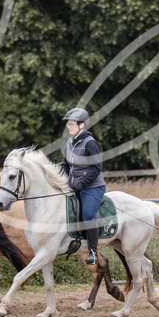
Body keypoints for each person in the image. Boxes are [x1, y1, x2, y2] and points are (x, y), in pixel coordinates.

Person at [60, 107, 105, 265]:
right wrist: (58, 178)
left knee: (87, 216)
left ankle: (93, 250)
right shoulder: (69, 143)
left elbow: (96, 168)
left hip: (92, 187)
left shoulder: (90, 143)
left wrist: (80, 184)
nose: (69, 127)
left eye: (72, 124)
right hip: (74, 185)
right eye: (68, 124)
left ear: (81, 125)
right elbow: (66, 165)